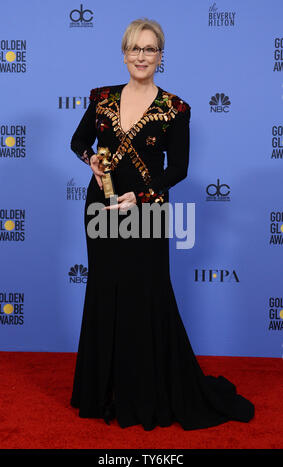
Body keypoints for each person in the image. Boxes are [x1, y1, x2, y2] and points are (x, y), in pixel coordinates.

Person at [70, 18, 254, 431]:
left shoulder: (175, 108)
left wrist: (143, 194)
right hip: (101, 207)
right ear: (124, 53)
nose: (141, 56)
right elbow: (78, 141)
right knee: (104, 290)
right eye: (135, 48)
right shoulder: (102, 98)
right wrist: (93, 161)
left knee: (144, 295)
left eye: (150, 49)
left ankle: (144, 393)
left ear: (160, 56)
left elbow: (180, 169)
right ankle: (103, 392)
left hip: (147, 210)